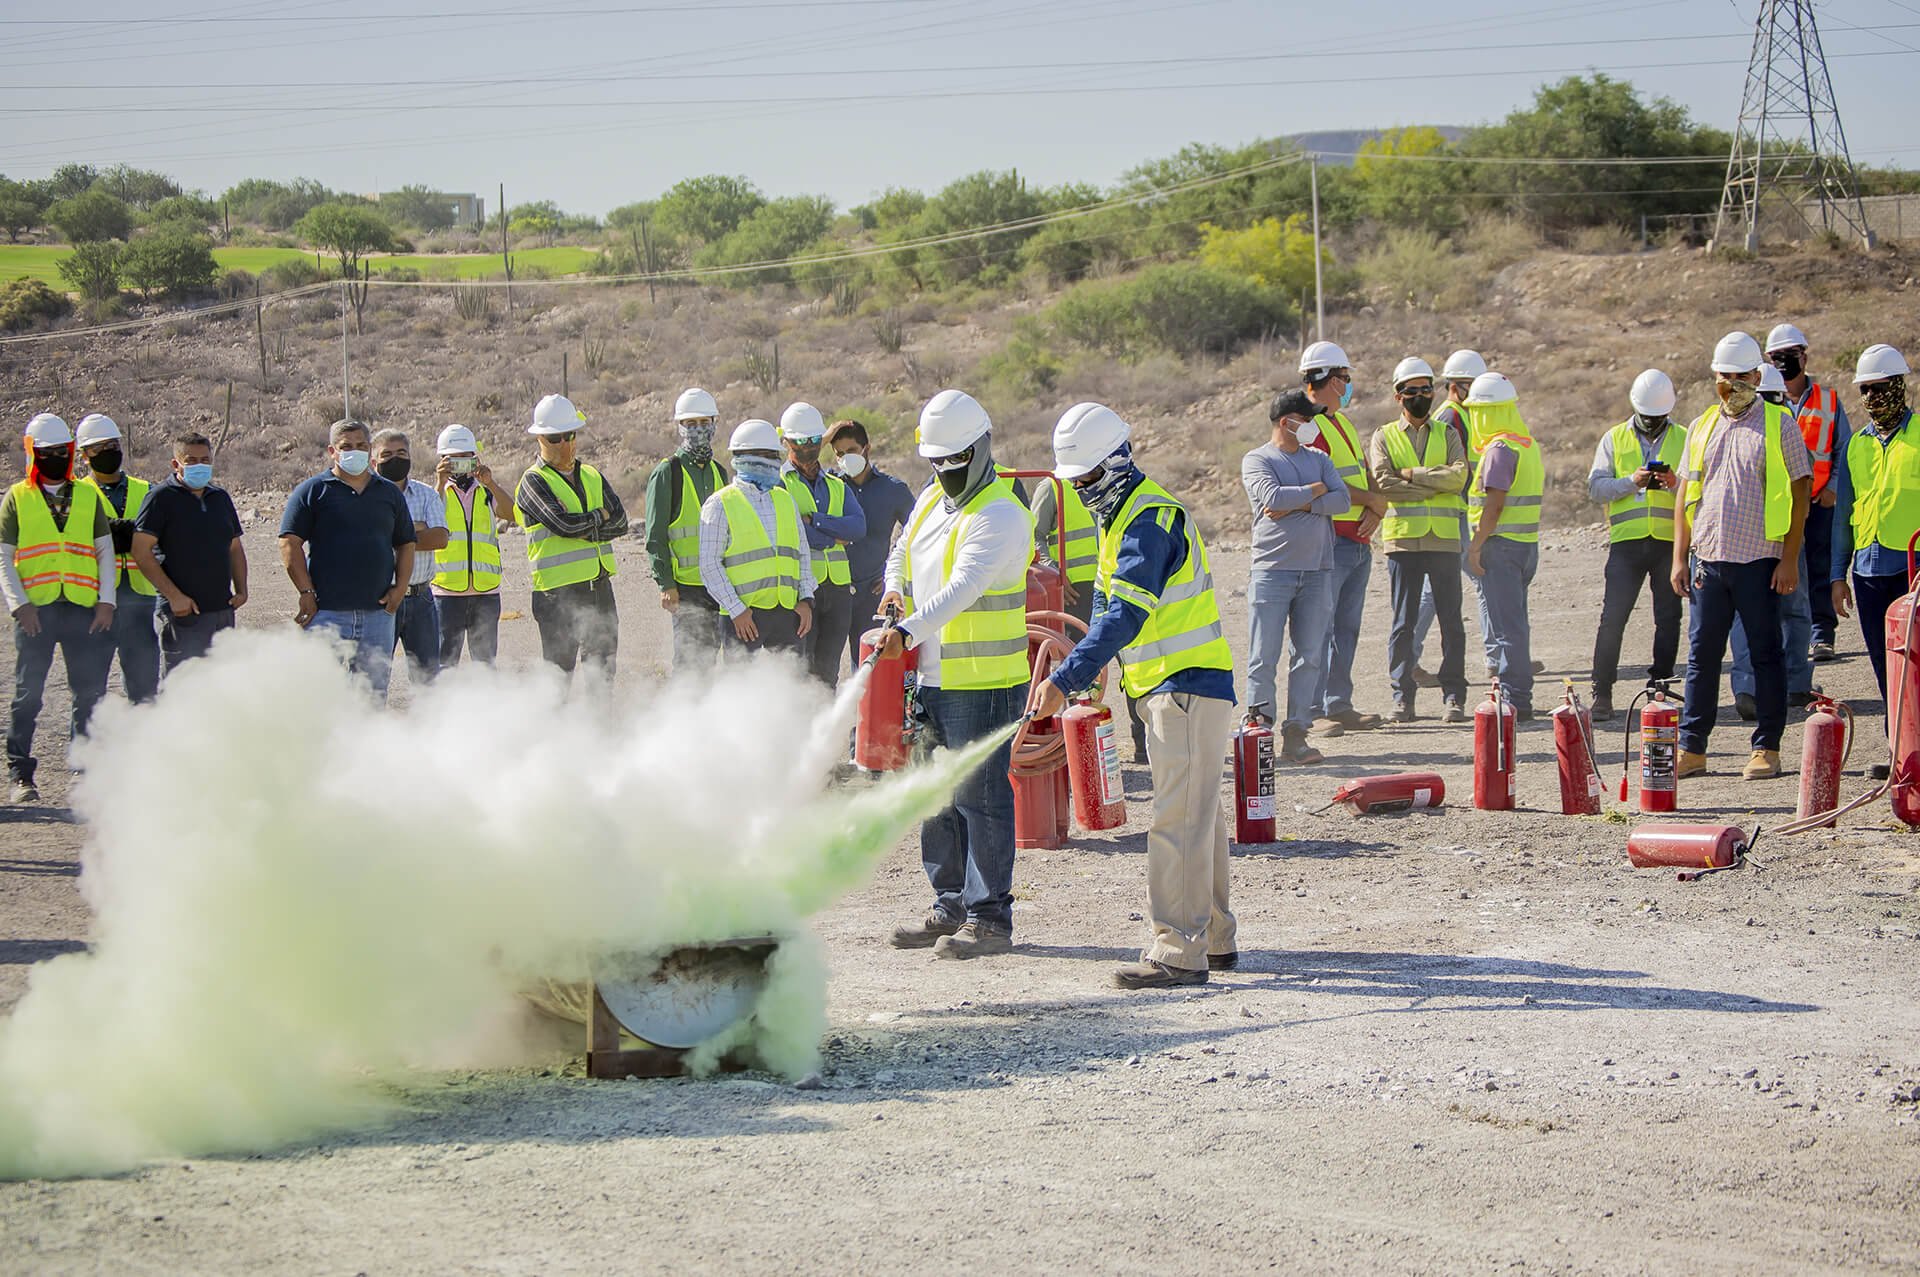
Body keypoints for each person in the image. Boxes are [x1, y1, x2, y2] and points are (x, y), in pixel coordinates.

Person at [1028, 402, 1236, 989]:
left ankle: (1177, 949)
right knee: (1200, 817)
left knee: (1177, 821)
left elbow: (1125, 614)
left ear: (1117, 461)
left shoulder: (1147, 519)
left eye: (1088, 477)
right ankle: (1215, 938)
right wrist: (1092, 676)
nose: (1083, 490)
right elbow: (1102, 607)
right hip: (1170, 688)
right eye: (1077, 481)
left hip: (1187, 686)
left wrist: (1065, 677)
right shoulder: (1119, 519)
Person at [876, 389, 1032, 961]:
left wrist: (907, 632)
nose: (946, 472)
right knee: (935, 794)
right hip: (934, 681)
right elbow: (902, 551)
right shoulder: (930, 501)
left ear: (983, 448)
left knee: (981, 797)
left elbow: (961, 589)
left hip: (984, 683)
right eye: (936, 462)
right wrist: (894, 585)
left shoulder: (1001, 513)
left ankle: (991, 918)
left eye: (955, 460)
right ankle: (950, 903)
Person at [1672, 331, 1812, 781]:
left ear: (1757, 375)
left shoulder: (1780, 424)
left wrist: (1790, 559)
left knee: (1766, 653)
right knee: (1702, 656)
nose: (1731, 384)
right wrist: (1680, 558)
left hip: (1759, 562)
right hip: (1708, 562)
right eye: (1723, 377)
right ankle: (1692, 747)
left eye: (1739, 376)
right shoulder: (1701, 426)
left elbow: (1800, 490)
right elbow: (1685, 495)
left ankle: (1767, 746)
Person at [0, 413, 115, 803]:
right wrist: (20, 606)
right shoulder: (17, 497)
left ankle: (83, 770)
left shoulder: (87, 496)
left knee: (88, 692)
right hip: (36, 614)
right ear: (33, 453)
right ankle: (20, 776)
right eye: (47, 453)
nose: (55, 458)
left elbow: (104, 552)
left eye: (61, 452)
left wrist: (106, 603)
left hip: (83, 609)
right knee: (27, 695)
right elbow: (4, 558)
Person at [1241, 389, 1349, 762]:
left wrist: (1301, 500)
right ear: (1287, 422)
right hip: (1272, 572)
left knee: (1309, 656)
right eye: (1308, 419)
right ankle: (1259, 730)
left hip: (1318, 571)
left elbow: (1343, 500)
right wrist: (1316, 494)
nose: (1313, 426)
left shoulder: (1318, 458)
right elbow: (1272, 500)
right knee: (1263, 656)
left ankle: (1297, 734)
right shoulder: (1257, 460)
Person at [279, 419, 416, 696]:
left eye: (361, 446)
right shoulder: (313, 491)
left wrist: (400, 589)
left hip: (378, 614)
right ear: (332, 451)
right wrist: (306, 592)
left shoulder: (388, 492)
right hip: (325, 613)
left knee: (371, 696)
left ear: (369, 449)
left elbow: (406, 543)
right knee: (317, 695)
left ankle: (365, 741)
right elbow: (289, 543)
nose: (355, 451)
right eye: (346, 447)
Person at [1831, 343, 1916, 781]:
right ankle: (1901, 753)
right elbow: (1845, 513)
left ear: (1900, 386)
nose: (1872, 397)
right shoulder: (1857, 447)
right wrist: (1836, 575)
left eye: (1881, 388)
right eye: (1865, 389)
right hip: (1867, 572)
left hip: (1912, 569)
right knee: (1886, 668)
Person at [1369, 358, 1471, 723]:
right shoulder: (1384, 436)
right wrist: (1433, 483)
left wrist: (1412, 476)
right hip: (1403, 543)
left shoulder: (1448, 434)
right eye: (1412, 391)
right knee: (1403, 624)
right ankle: (1403, 698)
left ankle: (1454, 696)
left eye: (1427, 390)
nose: (1421, 397)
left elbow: (1460, 478)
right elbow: (1383, 483)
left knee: (1452, 623)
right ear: (1399, 396)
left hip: (1443, 540)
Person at [1585, 370, 1687, 722]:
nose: (1653, 423)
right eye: (1648, 417)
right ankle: (1602, 691)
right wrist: (1631, 482)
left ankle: (1659, 688)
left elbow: (1698, 492)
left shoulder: (1686, 438)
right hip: (1626, 546)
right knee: (1612, 619)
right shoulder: (1614, 438)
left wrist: (1674, 484)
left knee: (1668, 619)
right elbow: (1596, 488)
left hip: (1667, 545)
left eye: (1658, 418)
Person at [1298, 341, 1387, 738]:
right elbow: (1321, 485)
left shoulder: (1342, 422)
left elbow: (1361, 471)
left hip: (1356, 541)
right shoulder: (1306, 426)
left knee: (1346, 628)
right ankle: (1310, 711)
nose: (1349, 386)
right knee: (1317, 628)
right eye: (1346, 379)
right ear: (1332, 379)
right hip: (1327, 541)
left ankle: (1339, 704)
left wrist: (1374, 506)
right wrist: (1373, 502)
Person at [513, 394, 627, 684]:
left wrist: (586, 524)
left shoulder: (591, 475)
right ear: (540, 438)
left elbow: (622, 522)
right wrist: (600, 515)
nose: (564, 443)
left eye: (569, 435)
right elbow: (563, 525)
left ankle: (598, 730)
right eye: (555, 438)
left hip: (600, 589)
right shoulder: (533, 481)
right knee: (558, 681)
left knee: (602, 677)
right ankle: (555, 731)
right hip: (557, 595)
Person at [1727, 361, 1819, 717]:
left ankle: (1748, 688)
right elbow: (1804, 484)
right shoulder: (1784, 426)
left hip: (1747, 542)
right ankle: (1794, 684)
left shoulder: (1733, 428)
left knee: (1744, 617)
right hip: (1783, 538)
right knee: (1794, 612)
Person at [1463, 373, 1545, 721]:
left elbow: (1494, 506)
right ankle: (1515, 693)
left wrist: (1476, 545)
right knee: (1515, 623)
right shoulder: (1527, 444)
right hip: (1525, 546)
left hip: (1501, 547)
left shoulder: (1499, 450)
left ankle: (1516, 700)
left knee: (1507, 626)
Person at [129, 431, 246, 673]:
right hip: (184, 614)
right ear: (176, 464)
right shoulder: (160, 498)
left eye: (204, 460)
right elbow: (141, 551)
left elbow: (234, 546)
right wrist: (173, 596)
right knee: (182, 688)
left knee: (223, 683)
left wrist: (242, 589)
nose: (199, 465)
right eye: (191, 460)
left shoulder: (220, 497)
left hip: (221, 611)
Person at [1768, 323, 1850, 662]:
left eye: (1791, 355)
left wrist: (1833, 487)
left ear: (1804, 356)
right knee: (1785, 571)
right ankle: (1788, 637)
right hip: (1780, 504)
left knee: (1820, 566)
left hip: (1819, 501)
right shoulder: (1765, 401)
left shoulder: (1829, 400)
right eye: (1778, 357)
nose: (1785, 362)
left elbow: (1843, 447)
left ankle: (1821, 635)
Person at [699, 418, 814, 655]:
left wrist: (806, 599)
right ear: (744, 456)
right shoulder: (720, 504)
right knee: (740, 688)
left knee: (792, 686)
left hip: (787, 613)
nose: (774, 462)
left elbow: (802, 554)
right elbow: (709, 565)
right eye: (767, 455)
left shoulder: (785, 499)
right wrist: (736, 609)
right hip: (743, 617)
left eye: (775, 455)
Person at [1408, 348, 1483, 687]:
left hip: (1455, 513)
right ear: (1455, 386)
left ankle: (1408, 658)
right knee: (1481, 579)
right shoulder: (1450, 417)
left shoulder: (1461, 415)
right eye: (1471, 385)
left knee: (1433, 592)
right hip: (1449, 515)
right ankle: (1500, 657)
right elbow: (1453, 470)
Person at [780, 402, 866, 687]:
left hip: (839, 591)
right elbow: (792, 534)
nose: (809, 446)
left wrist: (814, 520)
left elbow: (857, 527)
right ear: (786, 442)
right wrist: (833, 536)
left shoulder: (836, 484)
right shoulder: (779, 485)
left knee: (828, 673)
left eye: (815, 439)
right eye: (801, 441)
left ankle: (825, 730)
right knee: (801, 673)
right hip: (803, 591)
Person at [74, 414, 158, 705]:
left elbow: (157, 535)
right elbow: (82, 536)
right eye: (98, 448)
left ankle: (143, 748)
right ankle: (84, 750)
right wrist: (133, 530)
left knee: (145, 689)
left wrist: (113, 530)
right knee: (88, 692)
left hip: (140, 599)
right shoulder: (76, 494)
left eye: (112, 444)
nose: (108, 451)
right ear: (84, 456)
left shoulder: (145, 490)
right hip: (95, 604)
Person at [644, 388, 728, 675]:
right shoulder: (668, 472)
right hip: (687, 588)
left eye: (704, 423)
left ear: (715, 423)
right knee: (690, 664)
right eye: (690, 424)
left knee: (712, 661)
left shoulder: (720, 472)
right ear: (680, 427)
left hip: (719, 585)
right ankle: (680, 719)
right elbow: (655, 536)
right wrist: (666, 584)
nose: (698, 430)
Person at [826, 417, 914, 669]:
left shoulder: (893, 489)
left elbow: (917, 534)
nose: (845, 458)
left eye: (851, 450)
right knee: (823, 669)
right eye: (839, 453)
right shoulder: (829, 485)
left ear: (867, 449)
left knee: (868, 666)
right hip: (833, 591)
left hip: (871, 594)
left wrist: (892, 574)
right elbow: (796, 467)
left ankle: (863, 711)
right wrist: (824, 437)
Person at [371, 429, 449, 688]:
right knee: (373, 678)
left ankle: (428, 729)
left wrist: (392, 535)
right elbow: (367, 542)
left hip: (421, 600)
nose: (395, 459)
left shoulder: (426, 494)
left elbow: (439, 538)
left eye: (401, 453)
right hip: (380, 600)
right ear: (374, 461)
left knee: (428, 681)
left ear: (410, 457)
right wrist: (415, 530)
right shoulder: (366, 497)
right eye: (387, 454)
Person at [431, 424, 512, 668]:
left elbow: (512, 513)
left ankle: (484, 706)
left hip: (485, 592)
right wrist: (440, 482)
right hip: (446, 592)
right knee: (444, 665)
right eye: (453, 460)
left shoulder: (486, 492)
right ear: (443, 460)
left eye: (465, 458)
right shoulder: (437, 493)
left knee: (485, 665)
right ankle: (444, 706)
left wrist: (491, 483)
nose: (460, 466)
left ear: (475, 459)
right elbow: (429, 520)